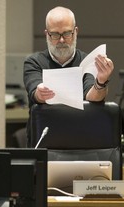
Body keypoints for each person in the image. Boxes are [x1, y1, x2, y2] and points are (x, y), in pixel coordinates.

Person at [23, 6, 114, 147]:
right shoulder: (34, 62)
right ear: (47, 34)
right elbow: (34, 91)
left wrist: (101, 80)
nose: (61, 40)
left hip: (82, 142)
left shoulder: (87, 61)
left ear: (75, 32)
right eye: (55, 34)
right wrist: (40, 93)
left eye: (66, 34)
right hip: (44, 143)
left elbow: (93, 96)